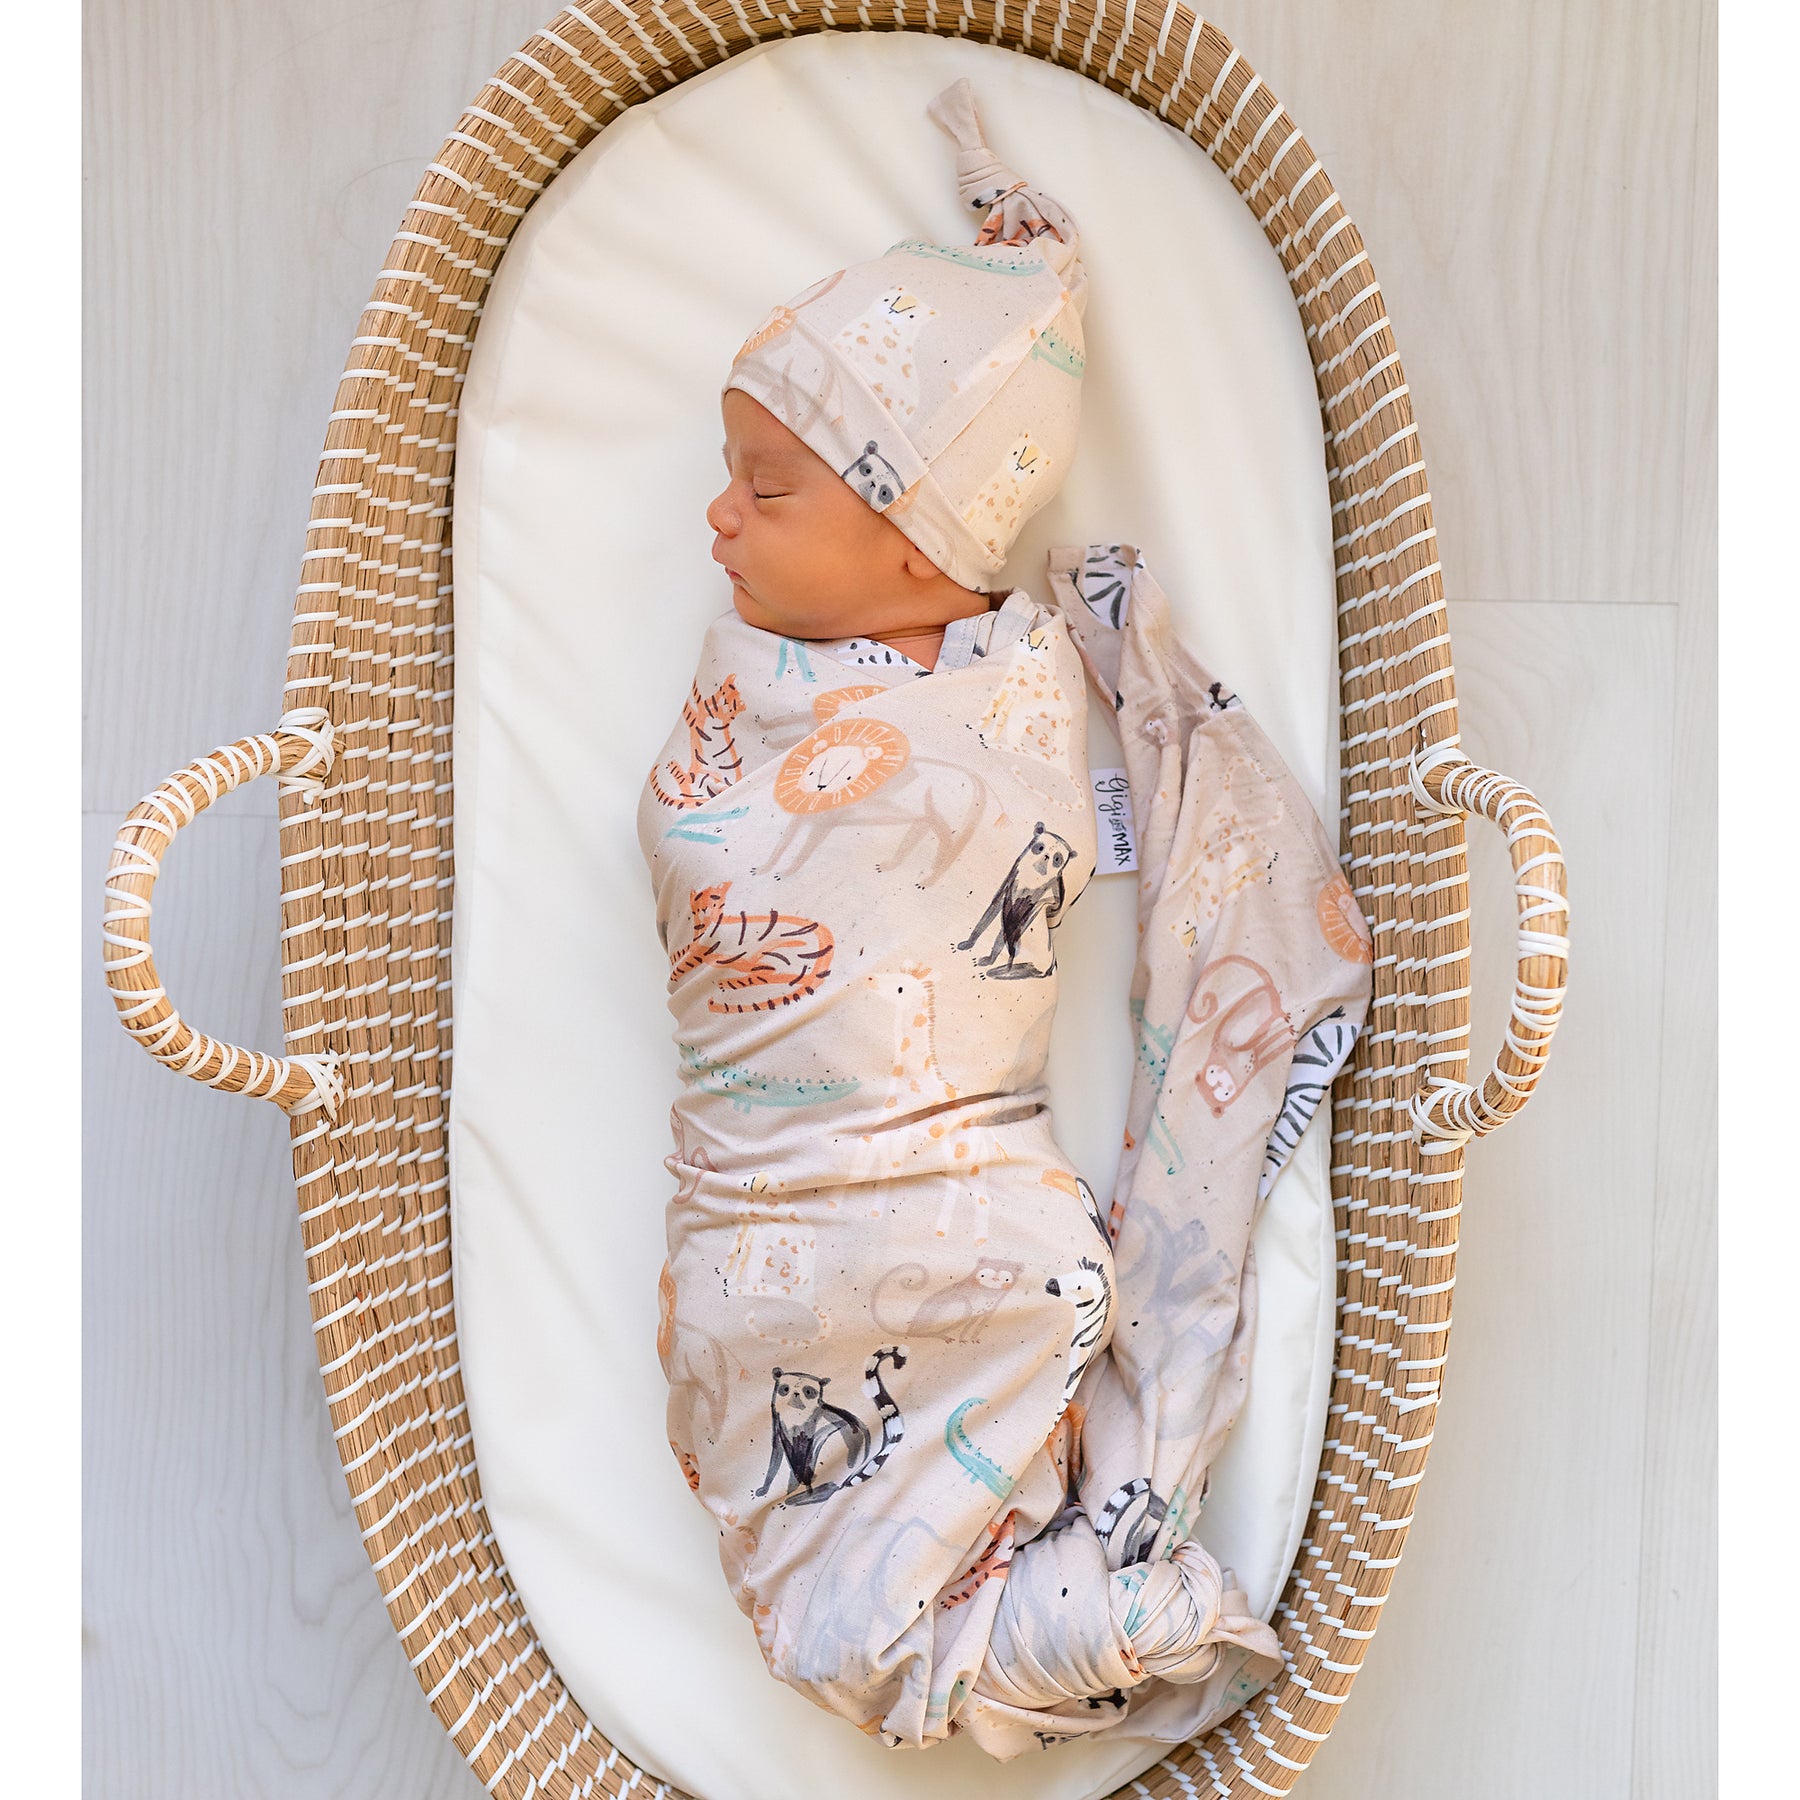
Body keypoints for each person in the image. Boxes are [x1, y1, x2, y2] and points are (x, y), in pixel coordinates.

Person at [635, 76, 1372, 1761]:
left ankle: (991, 1624)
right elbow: (696, 835)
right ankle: (1020, 1618)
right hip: (765, 1196)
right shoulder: (755, 689)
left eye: (766, 490)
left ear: (919, 544)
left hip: (939, 1188)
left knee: (853, 1568)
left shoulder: (1011, 695)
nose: (716, 520)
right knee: (806, 1483)